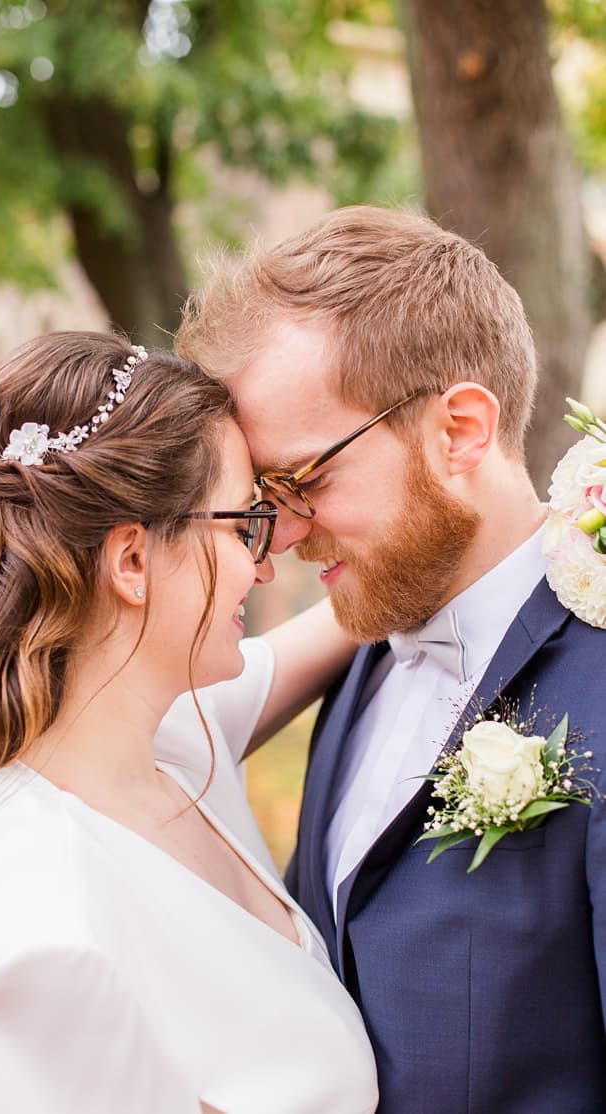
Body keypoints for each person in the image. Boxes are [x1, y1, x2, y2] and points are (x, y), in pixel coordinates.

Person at [0, 332, 378, 1113]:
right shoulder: (38, 932)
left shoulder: (171, 741)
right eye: (244, 525)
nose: (264, 563)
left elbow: (354, 618)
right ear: (132, 561)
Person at [177, 205, 606, 1112]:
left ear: (459, 431)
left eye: (307, 480)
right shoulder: (364, 646)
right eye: (266, 496)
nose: (281, 535)